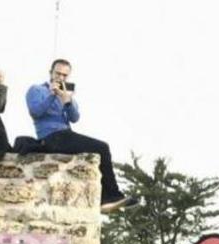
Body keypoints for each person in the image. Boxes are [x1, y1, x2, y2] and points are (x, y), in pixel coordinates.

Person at [25, 59, 137, 213]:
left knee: (99, 147)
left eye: (65, 75)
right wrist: (52, 95)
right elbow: (36, 111)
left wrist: (67, 101)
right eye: (58, 73)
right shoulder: (36, 90)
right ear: (50, 72)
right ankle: (110, 196)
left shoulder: (66, 94)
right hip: (51, 136)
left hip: (66, 134)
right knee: (102, 147)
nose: (61, 78)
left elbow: (75, 118)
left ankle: (107, 197)